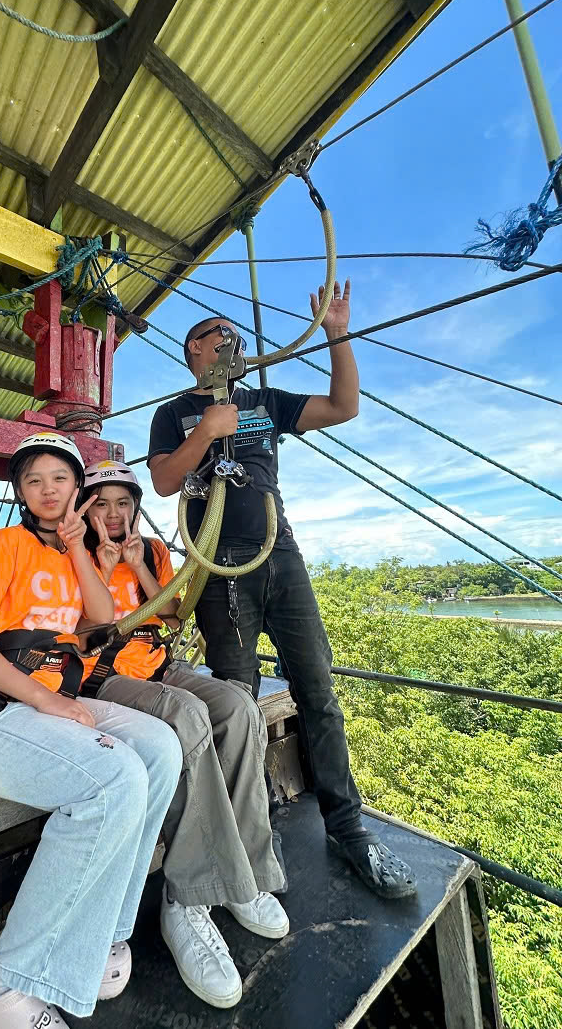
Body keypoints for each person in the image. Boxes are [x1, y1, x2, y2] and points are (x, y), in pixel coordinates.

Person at [146, 282, 417, 900]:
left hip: (280, 556)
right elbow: (162, 481)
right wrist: (206, 431)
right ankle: (248, 837)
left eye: (234, 333)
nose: (230, 339)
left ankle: (348, 830)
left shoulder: (264, 400)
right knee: (237, 702)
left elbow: (343, 406)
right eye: (216, 333)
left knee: (318, 690)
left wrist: (337, 334)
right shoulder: (172, 413)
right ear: (193, 351)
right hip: (217, 567)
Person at [0, 432, 182, 1029]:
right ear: (21, 493)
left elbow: (102, 620)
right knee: (113, 779)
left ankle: (103, 934)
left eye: (60, 479)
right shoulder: (5, 546)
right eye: (34, 481)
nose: (48, 490)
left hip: (51, 703)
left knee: (160, 748)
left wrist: (78, 547)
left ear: (78, 489)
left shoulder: (75, 554)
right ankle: (5, 986)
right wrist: (43, 699)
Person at [77, 461, 287, 1009]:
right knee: (188, 716)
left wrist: (136, 565)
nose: (114, 515)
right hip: (105, 679)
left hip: (159, 665)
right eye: (103, 504)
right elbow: (77, 634)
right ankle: (188, 896)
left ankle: (246, 874)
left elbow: (171, 615)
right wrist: (103, 566)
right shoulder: (71, 553)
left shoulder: (150, 552)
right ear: (86, 509)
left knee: (240, 708)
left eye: (123, 504)